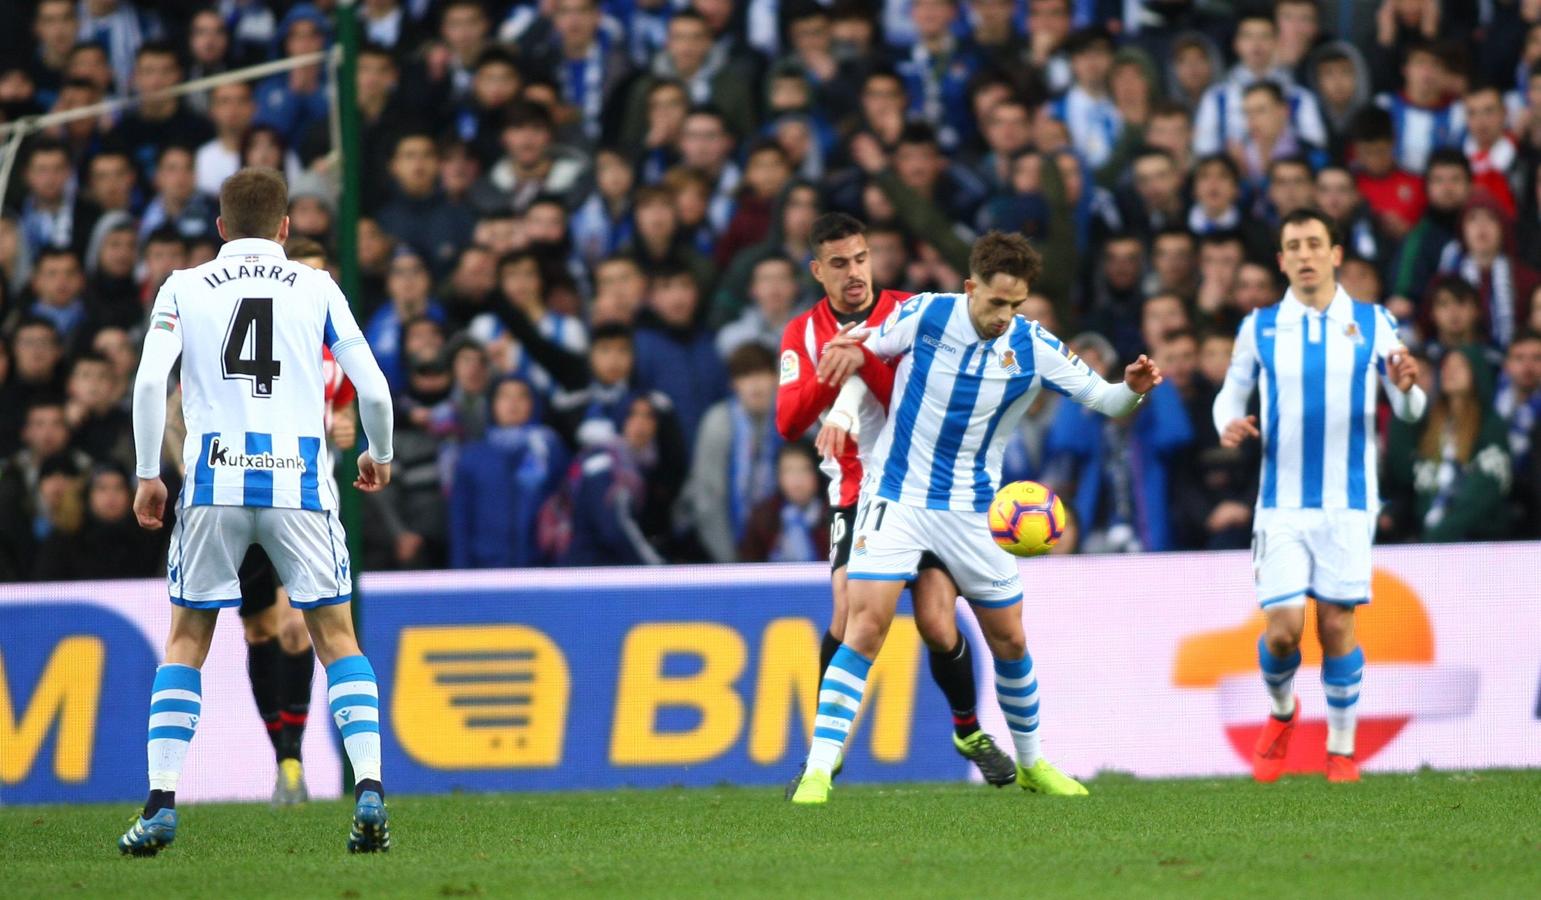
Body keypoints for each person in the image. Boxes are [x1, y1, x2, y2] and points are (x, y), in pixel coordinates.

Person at [792, 231, 1162, 805]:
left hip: (973, 512)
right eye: (995, 302)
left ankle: (1033, 764)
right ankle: (817, 772)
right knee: (865, 626)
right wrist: (842, 398)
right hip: (898, 498)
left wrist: (1132, 390)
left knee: (1010, 639)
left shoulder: (1033, 345)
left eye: (1015, 304)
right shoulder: (926, 315)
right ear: (971, 288)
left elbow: (1108, 401)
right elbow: (863, 349)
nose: (1004, 316)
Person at [120, 168, 396, 855]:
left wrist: (149, 474)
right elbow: (372, 388)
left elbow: (151, 381)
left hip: (213, 481)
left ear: (220, 228)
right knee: (337, 637)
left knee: (187, 640)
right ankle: (368, 789)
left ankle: (160, 803)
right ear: (285, 227)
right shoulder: (316, 286)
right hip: (298, 482)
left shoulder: (183, 286)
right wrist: (379, 453)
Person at [776, 213, 1015, 795]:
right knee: (845, 615)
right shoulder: (802, 334)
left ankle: (968, 731)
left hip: (923, 489)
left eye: (861, 258)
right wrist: (835, 368)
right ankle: (824, 753)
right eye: (839, 264)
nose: (854, 272)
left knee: (936, 621)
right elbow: (787, 421)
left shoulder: (912, 312)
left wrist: (864, 359)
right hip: (856, 492)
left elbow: (919, 399)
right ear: (818, 271)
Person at [1212, 208, 1427, 785]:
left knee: (1336, 626)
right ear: (1281, 260)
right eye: (1294, 246)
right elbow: (1230, 395)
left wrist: (1407, 390)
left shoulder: (1373, 321)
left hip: (1348, 503)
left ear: (1335, 255)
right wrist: (1227, 423)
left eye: (1314, 244)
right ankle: (1283, 711)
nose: (1305, 254)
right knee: (1283, 629)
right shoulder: (1260, 327)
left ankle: (1340, 749)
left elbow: (1410, 407)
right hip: (1280, 504)